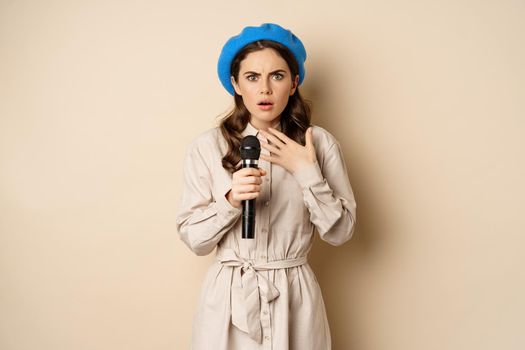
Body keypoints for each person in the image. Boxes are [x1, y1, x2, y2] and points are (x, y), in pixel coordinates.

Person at [176, 23, 357, 350]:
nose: (265, 90)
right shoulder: (208, 147)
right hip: (230, 298)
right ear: (235, 84)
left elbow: (341, 232)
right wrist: (230, 201)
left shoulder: (319, 144)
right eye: (252, 77)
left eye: (277, 75)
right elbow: (194, 239)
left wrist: (307, 172)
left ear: (294, 82)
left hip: (293, 295)